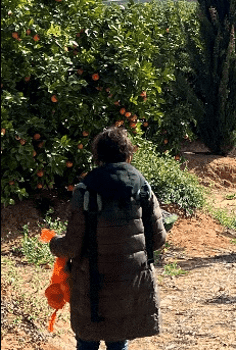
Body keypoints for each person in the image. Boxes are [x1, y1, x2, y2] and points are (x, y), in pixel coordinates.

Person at [49, 126, 168, 350]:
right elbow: (158, 239)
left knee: (87, 341)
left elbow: (72, 246)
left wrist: (54, 244)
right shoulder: (143, 188)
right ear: (128, 155)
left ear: (98, 157)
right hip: (129, 283)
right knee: (118, 341)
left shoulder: (85, 190)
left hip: (93, 286)